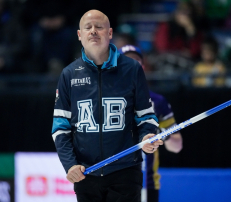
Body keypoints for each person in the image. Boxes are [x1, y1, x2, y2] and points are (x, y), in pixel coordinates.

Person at [51, 10, 163, 202]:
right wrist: (70, 165)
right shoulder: (69, 75)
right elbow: (61, 129)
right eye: (88, 27)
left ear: (110, 33)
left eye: (99, 27)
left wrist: (147, 136)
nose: (93, 31)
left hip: (125, 172)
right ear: (80, 35)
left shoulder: (132, 69)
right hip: (86, 173)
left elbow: (146, 116)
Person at [119, 45, 183, 202]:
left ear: (143, 66)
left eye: (136, 61)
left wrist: (163, 134)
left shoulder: (157, 101)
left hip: (146, 184)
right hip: (113, 182)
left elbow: (177, 146)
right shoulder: (104, 99)